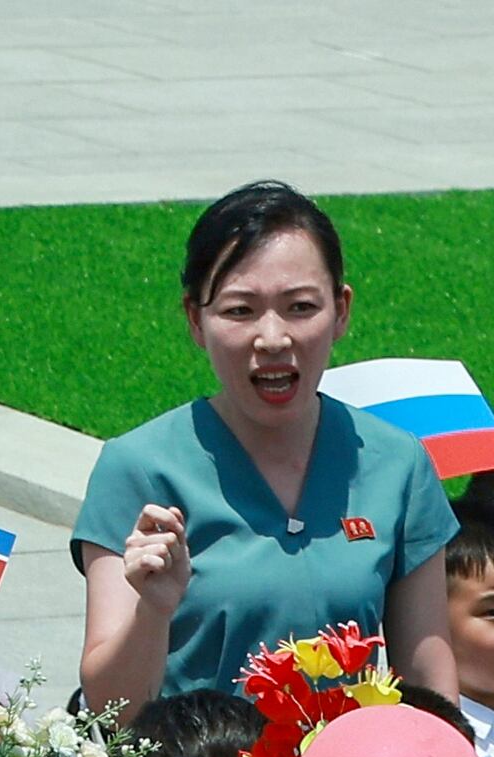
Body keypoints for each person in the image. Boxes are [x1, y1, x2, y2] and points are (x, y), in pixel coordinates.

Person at [74, 181, 459, 709]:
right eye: (239, 310)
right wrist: (153, 612)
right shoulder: (138, 469)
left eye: (301, 307)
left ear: (341, 310)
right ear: (194, 318)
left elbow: (430, 687)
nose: (273, 339)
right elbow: (112, 710)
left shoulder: (398, 464)